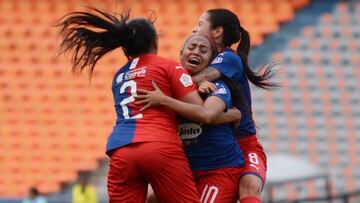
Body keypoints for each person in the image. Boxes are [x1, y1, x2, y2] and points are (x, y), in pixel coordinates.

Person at [57, 7, 238, 203]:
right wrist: (232, 115)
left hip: (121, 151)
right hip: (159, 147)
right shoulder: (169, 66)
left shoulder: (119, 76)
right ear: (155, 43)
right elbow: (202, 112)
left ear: (126, 48)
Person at [139, 34, 249, 203]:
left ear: (209, 60)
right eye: (192, 47)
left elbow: (208, 115)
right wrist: (232, 115)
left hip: (219, 168)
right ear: (181, 53)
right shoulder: (167, 86)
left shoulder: (215, 86)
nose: (196, 52)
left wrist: (164, 100)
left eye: (204, 50)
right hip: (186, 172)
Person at [191, 9, 278, 203]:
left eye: (200, 24)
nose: (194, 29)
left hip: (244, 143)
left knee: (249, 184)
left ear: (217, 32)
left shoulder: (227, 58)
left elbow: (204, 78)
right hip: (214, 149)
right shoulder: (201, 62)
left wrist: (171, 85)